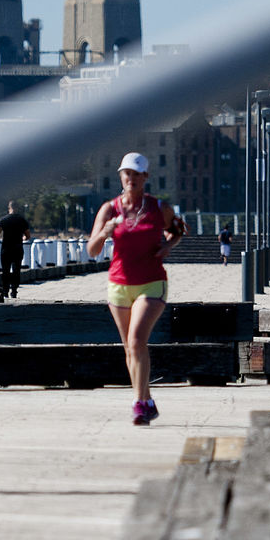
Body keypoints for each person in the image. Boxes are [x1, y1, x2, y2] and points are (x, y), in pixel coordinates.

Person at [87, 152, 185, 425]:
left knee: (136, 341)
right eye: (127, 173)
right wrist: (105, 232)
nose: (131, 178)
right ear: (121, 177)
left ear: (146, 177)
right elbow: (92, 250)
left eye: (137, 174)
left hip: (152, 283)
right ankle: (148, 401)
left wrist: (167, 245)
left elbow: (179, 230)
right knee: (130, 348)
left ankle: (139, 403)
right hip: (119, 285)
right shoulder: (109, 209)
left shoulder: (159, 207)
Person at [0, 201, 31, 298]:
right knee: (16, 270)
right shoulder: (22, 220)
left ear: (9, 208)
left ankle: (5, 292)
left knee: (6, 271)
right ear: (17, 208)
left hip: (6, 249)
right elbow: (28, 236)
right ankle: (14, 291)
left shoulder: (3, 220)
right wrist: (23, 239)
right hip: (18, 249)